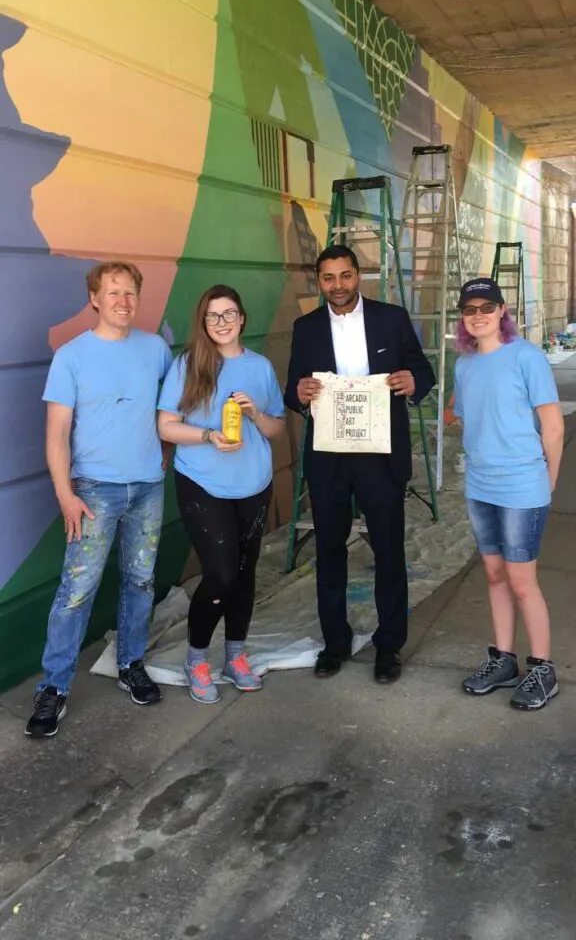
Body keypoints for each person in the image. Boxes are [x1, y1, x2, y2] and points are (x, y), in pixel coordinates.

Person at [26, 262, 173, 739]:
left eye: (130, 293)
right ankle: (54, 687)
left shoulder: (156, 349)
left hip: (148, 486)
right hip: (93, 491)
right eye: (113, 293)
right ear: (94, 298)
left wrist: (166, 452)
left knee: (141, 580)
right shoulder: (71, 356)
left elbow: (172, 408)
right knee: (76, 591)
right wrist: (65, 494)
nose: (123, 301)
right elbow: (56, 435)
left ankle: (131, 663)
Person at [284, 244, 435, 682]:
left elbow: (420, 370)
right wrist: (300, 394)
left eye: (345, 276)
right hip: (329, 458)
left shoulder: (392, 318)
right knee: (329, 552)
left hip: (380, 456)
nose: (338, 286)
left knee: (388, 551)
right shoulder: (305, 328)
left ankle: (389, 647)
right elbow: (293, 389)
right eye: (328, 278)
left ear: (359, 275)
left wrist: (413, 382)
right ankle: (335, 643)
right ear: (319, 281)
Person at [157, 285, 285, 704]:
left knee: (245, 573)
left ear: (242, 318)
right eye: (214, 316)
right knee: (221, 573)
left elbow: (276, 429)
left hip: (253, 483)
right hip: (203, 483)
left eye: (230, 313)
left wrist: (255, 414)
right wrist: (209, 435)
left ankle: (235, 655)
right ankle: (196, 659)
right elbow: (166, 427)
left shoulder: (261, 367)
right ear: (204, 322)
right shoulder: (189, 365)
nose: (223, 322)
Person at [454, 277, 564, 711]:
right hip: (481, 484)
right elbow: (466, 416)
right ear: (463, 317)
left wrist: (549, 481)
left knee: (522, 580)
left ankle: (542, 668)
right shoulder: (463, 364)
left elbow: (553, 427)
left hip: (522, 485)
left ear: (502, 311)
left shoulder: (526, 357)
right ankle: (503, 660)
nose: (478, 314)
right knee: (495, 575)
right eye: (469, 309)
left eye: (487, 306)